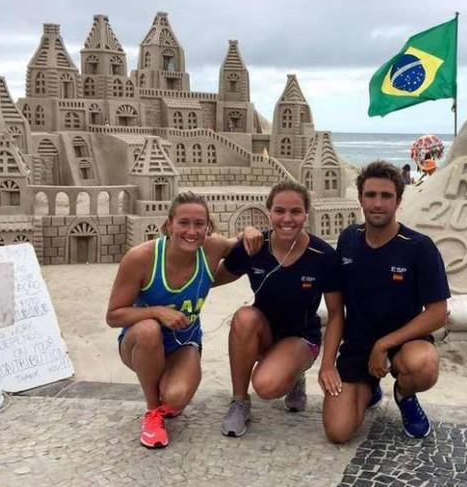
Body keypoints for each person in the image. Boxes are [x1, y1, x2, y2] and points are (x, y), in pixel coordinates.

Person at [106, 191, 261, 449]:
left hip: (184, 343)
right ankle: (152, 412)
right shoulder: (141, 258)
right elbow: (113, 315)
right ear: (169, 225)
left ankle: (166, 393)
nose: (192, 231)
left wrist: (250, 230)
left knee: (176, 398)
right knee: (148, 330)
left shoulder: (212, 248)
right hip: (138, 344)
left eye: (199, 224)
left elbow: (243, 242)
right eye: (184, 223)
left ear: (208, 227)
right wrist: (156, 311)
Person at [322, 161, 450, 443]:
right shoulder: (348, 239)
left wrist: (384, 344)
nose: (377, 203)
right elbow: (336, 310)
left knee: (424, 365)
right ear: (360, 199)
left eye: (386, 196)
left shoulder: (419, 247)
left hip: (404, 343)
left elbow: (438, 313)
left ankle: (404, 395)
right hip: (357, 346)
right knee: (338, 432)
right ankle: (370, 387)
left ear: (398, 200)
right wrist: (327, 363)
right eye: (371, 195)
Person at [217, 181, 344, 437]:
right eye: (279, 211)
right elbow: (209, 278)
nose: (287, 219)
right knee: (243, 317)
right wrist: (236, 239)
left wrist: (328, 364)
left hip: (301, 338)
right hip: (263, 332)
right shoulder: (255, 247)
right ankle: (239, 402)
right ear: (269, 212)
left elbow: (336, 314)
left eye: (296, 212)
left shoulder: (322, 255)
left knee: (266, 386)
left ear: (306, 214)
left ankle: (296, 374)